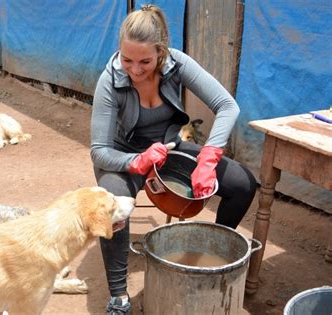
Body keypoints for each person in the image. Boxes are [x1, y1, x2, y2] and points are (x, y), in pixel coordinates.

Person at [90, 4, 257, 315]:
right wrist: (136, 161)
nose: (135, 69)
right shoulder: (110, 80)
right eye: (127, 59)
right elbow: (99, 150)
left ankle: (215, 256)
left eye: (145, 61)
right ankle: (119, 296)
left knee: (243, 184)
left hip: (168, 149)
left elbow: (227, 105)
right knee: (112, 203)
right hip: (123, 156)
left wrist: (209, 157)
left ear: (162, 52)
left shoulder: (178, 64)